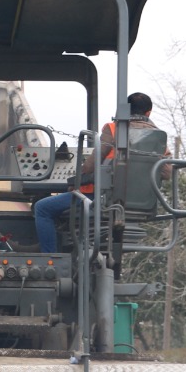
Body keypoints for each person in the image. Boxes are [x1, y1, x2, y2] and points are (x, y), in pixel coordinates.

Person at [33, 91, 162, 254]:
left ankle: (50, 258)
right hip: (141, 203)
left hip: (102, 198)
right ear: (148, 113)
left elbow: (93, 163)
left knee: (42, 208)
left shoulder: (114, 129)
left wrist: (76, 182)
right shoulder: (158, 138)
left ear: (125, 110)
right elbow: (165, 171)